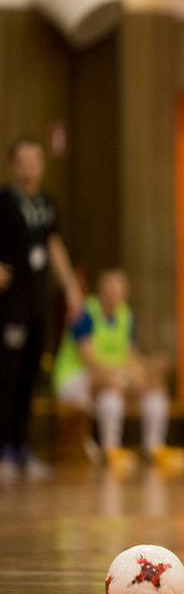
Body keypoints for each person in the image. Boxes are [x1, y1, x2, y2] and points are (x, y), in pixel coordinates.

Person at [0, 137, 83, 479]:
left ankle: (22, 447)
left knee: (30, 376)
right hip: (9, 303)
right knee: (6, 374)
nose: (30, 165)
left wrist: (71, 287)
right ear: (13, 165)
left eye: (36, 159)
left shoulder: (46, 203)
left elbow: (52, 244)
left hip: (37, 301)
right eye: (23, 160)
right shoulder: (4, 202)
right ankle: (3, 447)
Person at [52, 269, 184, 473]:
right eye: (110, 290)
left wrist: (148, 367)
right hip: (73, 379)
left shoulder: (125, 315)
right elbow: (89, 360)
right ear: (101, 291)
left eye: (119, 291)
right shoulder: (85, 313)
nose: (115, 295)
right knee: (112, 386)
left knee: (153, 383)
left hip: (111, 376)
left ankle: (155, 447)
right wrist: (124, 376)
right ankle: (111, 448)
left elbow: (130, 357)